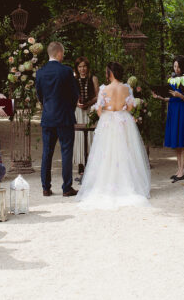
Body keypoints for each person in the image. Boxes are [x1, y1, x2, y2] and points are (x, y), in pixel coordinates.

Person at [76, 62, 150, 209]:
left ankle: (106, 185)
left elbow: (98, 109)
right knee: (125, 152)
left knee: (106, 153)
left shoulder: (104, 89)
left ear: (110, 73)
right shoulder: (127, 88)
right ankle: (127, 184)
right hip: (123, 122)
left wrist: (106, 110)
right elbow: (130, 107)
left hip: (108, 123)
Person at [35, 41, 80, 197]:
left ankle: (45, 187)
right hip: (65, 116)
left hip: (48, 116)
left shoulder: (40, 73)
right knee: (66, 152)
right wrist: (69, 108)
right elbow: (75, 94)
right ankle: (66, 188)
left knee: (47, 152)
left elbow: (39, 95)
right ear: (59, 53)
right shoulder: (66, 71)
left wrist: (47, 107)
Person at [153, 55, 184, 183]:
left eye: (179, 67)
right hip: (173, 110)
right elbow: (170, 97)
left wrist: (180, 95)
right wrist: (160, 97)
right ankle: (179, 169)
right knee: (176, 142)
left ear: (183, 67)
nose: (176, 69)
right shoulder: (172, 79)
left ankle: (183, 171)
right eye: (175, 66)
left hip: (182, 110)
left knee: (182, 141)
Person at [73, 57, 99, 174]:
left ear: (87, 67)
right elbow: (70, 95)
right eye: (80, 67)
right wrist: (77, 103)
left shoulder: (93, 78)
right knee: (78, 136)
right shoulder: (73, 79)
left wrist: (88, 103)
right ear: (77, 68)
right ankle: (80, 163)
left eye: (84, 66)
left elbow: (98, 96)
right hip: (78, 110)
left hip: (90, 110)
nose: (82, 69)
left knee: (90, 135)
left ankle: (91, 161)